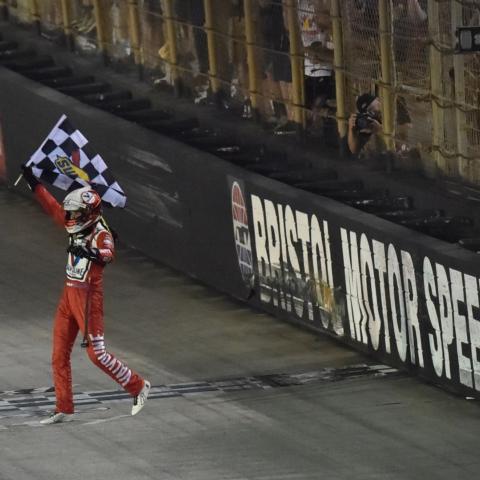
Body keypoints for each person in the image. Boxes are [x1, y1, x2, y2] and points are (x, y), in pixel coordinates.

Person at [21, 166, 151, 425]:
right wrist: (34, 184)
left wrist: (89, 254)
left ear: (89, 213)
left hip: (89, 297)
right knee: (59, 354)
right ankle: (64, 407)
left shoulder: (101, 231)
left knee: (97, 354)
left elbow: (108, 254)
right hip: (68, 294)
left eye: (76, 212)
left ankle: (138, 387)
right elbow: (53, 208)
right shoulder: (75, 223)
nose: (71, 216)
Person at [343, 93, 383, 159]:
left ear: (378, 99)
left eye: (373, 108)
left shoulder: (393, 111)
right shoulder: (370, 123)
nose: (372, 113)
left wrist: (381, 129)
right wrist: (351, 129)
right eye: (369, 112)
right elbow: (354, 149)